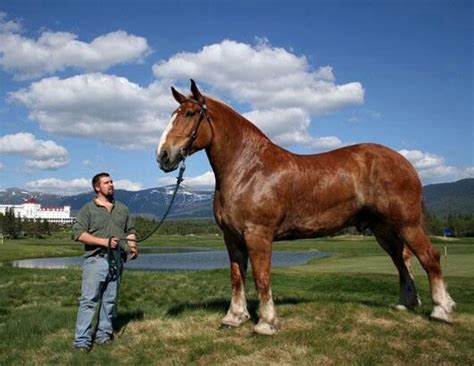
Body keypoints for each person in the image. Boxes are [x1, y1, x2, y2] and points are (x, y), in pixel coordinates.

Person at [72, 172, 138, 352]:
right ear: (97, 187)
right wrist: (104, 242)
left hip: (117, 261)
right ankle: (82, 341)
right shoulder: (87, 209)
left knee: (110, 301)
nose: (111, 185)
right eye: (106, 182)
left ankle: (103, 335)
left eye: (112, 181)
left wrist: (132, 247)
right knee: (89, 301)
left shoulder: (122, 208)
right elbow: (78, 234)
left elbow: (130, 230)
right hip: (96, 260)